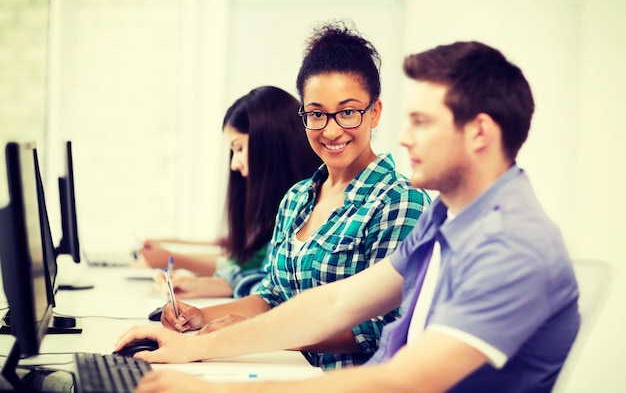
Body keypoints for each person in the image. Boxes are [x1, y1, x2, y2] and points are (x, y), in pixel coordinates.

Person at [117, 40, 581, 393]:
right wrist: (193, 347)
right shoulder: (448, 216)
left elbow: (405, 381)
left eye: (422, 122)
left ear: (479, 132)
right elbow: (335, 304)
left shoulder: (512, 245)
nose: (403, 137)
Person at [150, 21, 430, 370]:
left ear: (374, 112)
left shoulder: (400, 202)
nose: (331, 129)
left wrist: (255, 334)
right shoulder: (297, 198)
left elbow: (382, 328)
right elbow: (272, 297)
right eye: (316, 114)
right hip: (283, 368)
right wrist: (200, 317)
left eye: (347, 112)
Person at [144, 85, 322, 299]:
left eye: (239, 148)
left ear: (269, 145)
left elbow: (266, 280)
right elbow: (258, 273)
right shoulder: (281, 202)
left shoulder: (310, 203)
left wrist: (175, 260)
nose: (234, 164)